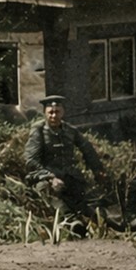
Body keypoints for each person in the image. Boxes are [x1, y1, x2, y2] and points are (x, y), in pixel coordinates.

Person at [25, 95, 107, 232]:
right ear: (45, 113)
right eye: (50, 112)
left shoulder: (70, 130)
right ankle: (70, 220)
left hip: (69, 175)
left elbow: (87, 149)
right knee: (45, 189)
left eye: (57, 112)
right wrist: (50, 177)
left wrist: (98, 170)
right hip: (46, 177)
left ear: (63, 112)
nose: (54, 116)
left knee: (85, 196)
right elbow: (31, 160)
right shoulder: (38, 131)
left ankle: (101, 220)